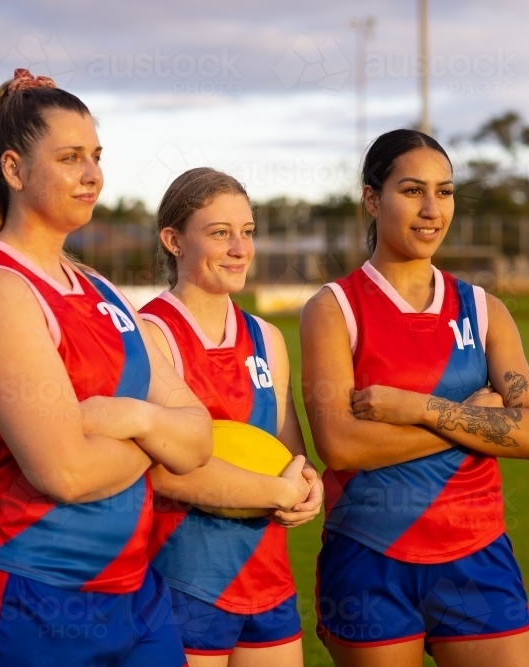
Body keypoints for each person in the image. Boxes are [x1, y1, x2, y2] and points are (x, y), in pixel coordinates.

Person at [0, 69, 212, 667]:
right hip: (21, 598)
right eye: (69, 158)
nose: (92, 176)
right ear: (14, 170)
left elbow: (199, 435)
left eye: (96, 156)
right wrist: (158, 436)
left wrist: (125, 415)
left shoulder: (101, 288)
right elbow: (67, 472)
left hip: (134, 596)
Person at [300, 129, 529, 667]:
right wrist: (472, 421)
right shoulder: (333, 308)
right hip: (369, 556)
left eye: (445, 191)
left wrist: (419, 408)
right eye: (412, 190)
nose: (432, 209)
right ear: (372, 198)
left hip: (477, 554)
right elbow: (341, 446)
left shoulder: (485, 310)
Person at [138, 167, 323, 667]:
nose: (240, 248)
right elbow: (158, 469)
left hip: (269, 580)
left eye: (247, 232)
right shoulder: (150, 335)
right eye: (220, 233)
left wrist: (308, 487)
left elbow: (290, 452)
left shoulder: (268, 338)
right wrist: (275, 492)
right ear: (173, 240)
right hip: (183, 579)